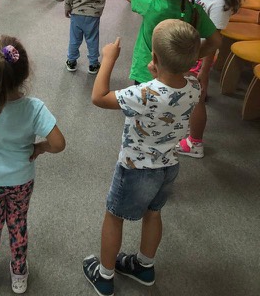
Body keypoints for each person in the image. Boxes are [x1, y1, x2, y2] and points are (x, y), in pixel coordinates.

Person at [83, 20, 201, 296]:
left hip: (135, 168)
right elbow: (170, 91)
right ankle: (144, 267)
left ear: (154, 59)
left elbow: (99, 97)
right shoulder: (194, 86)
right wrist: (159, 72)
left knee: (114, 216)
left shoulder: (144, 94)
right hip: (168, 166)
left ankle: (104, 276)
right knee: (153, 213)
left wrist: (108, 59)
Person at [0, 22, 65, 295]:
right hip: (21, 181)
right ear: (25, 74)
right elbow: (59, 143)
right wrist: (40, 148)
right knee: (18, 224)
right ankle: (19, 274)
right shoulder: (34, 108)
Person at [176, 0, 259, 159]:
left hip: (199, 55)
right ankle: (184, 129)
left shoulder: (221, 2)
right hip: (188, 48)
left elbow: (214, 41)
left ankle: (195, 143)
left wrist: (204, 72)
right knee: (186, 93)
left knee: (197, 98)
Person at [94, 0, 222, 84]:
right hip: (176, 75)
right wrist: (188, 57)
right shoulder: (195, 11)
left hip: (146, 73)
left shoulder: (150, 4)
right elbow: (216, 41)